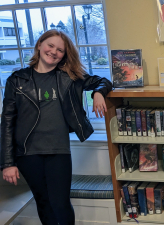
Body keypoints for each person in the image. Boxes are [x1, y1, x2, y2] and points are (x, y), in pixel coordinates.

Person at [0, 30, 112, 225]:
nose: (54, 52)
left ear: (64, 55)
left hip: (58, 151)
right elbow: (7, 122)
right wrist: (7, 163)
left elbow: (104, 81)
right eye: (50, 46)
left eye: (60, 50)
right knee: (43, 203)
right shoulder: (17, 80)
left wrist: (98, 93)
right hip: (27, 154)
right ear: (39, 45)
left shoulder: (69, 77)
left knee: (60, 203)